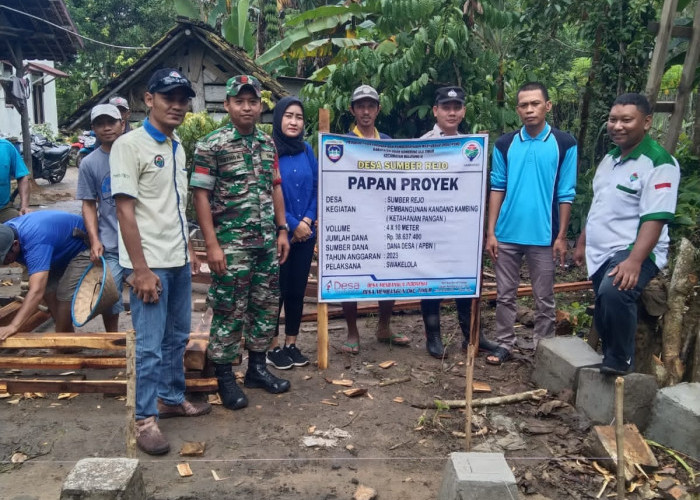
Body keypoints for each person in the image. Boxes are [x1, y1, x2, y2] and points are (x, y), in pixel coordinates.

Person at [110, 68, 211, 456]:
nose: (178, 105)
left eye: (184, 99)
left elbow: (171, 206)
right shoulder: (129, 145)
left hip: (176, 260)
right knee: (150, 346)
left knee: (176, 337)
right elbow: (124, 211)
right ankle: (144, 419)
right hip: (147, 264)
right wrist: (139, 270)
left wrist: (188, 248)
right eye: (169, 97)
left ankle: (171, 398)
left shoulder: (177, 145)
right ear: (148, 99)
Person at [191, 75, 291, 412]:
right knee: (229, 310)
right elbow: (201, 196)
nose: (246, 107)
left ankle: (257, 369)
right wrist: (212, 245)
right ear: (228, 105)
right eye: (240, 101)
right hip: (231, 244)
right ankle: (225, 377)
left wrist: (282, 230)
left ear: (259, 106)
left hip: (266, 243)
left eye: (252, 102)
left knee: (264, 307)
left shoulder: (267, 144)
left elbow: (275, 187)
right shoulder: (211, 144)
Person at [574, 93, 679, 376]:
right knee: (603, 301)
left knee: (615, 291)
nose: (617, 126)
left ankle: (621, 360)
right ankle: (610, 355)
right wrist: (582, 242)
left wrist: (634, 260)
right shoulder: (609, 159)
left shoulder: (658, 163)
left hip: (635, 248)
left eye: (626, 120)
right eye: (613, 119)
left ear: (646, 122)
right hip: (602, 249)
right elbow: (599, 205)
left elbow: (655, 219)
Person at [486, 82, 577, 365]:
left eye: (535, 103)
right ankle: (504, 344)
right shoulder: (505, 144)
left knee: (544, 297)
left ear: (547, 106)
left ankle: (543, 347)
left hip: (545, 235)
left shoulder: (564, 143)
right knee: (505, 295)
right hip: (507, 233)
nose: (529, 110)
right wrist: (491, 232)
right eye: (524, 105)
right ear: (517, 110)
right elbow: (497, 187)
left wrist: (561, 236)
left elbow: (566, 191)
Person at [340, 84, 409, 354]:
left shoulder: (389, 143)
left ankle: (384, 326)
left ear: (378, 109)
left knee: (388, 273)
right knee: (349, 274)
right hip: (354, 220)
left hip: (384, 218)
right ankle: (352, 331)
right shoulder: (342, 145)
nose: (366, 111)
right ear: (352, 110)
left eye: (371, 106)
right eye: (361, 106)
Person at [419, 86, 475, 359]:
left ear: (463, 111)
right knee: (430, 280)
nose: (452, 113)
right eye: (446, 108)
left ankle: (471, 336)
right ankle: (434, 338)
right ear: (436, 111)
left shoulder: (471, 146)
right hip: (431, 226)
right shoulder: (423, 143)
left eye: (457, 107)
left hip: (461, 226)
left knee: (464, 278)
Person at [265, 96, 317, 370]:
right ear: (278, 119)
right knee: (278, 290)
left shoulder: (307, 150)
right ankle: (272, 347)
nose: (294, 121)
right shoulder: (268, 149)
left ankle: (291, 343)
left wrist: (308, 219)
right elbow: (269, 191)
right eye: (288, 116)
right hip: (280, 234)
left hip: (306, 234)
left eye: (298, 117)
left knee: (297, 290)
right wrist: (293, 223)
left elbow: (317, 186)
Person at [0, 211, 88, 340]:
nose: (3, 263)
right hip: (55, 250)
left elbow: (36, 292)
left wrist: (13, 326)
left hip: (82, 245)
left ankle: (64, 341)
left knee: (64, 294)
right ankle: (66, 337)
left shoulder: (36, 243)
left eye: (4, 258)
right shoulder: (5, 233)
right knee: (48, 290)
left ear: (15, 244)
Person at [76, 104, 125, 332]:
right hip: (111, 244)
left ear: (122, 124)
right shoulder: (89, 163)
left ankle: (144, 343)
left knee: (148, 293)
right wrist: (95, 240)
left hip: (143, 243)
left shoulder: (136, 154)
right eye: (100, 124)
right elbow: (88, 203)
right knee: (108, 295)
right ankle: (113, 340)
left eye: (111, 122)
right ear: (93, 128)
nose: (106, 128)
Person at [0, 138, 30, 223]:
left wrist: (24, 206)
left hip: (3, 209)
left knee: (26, 226)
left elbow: (22, 176)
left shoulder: (6, 147)